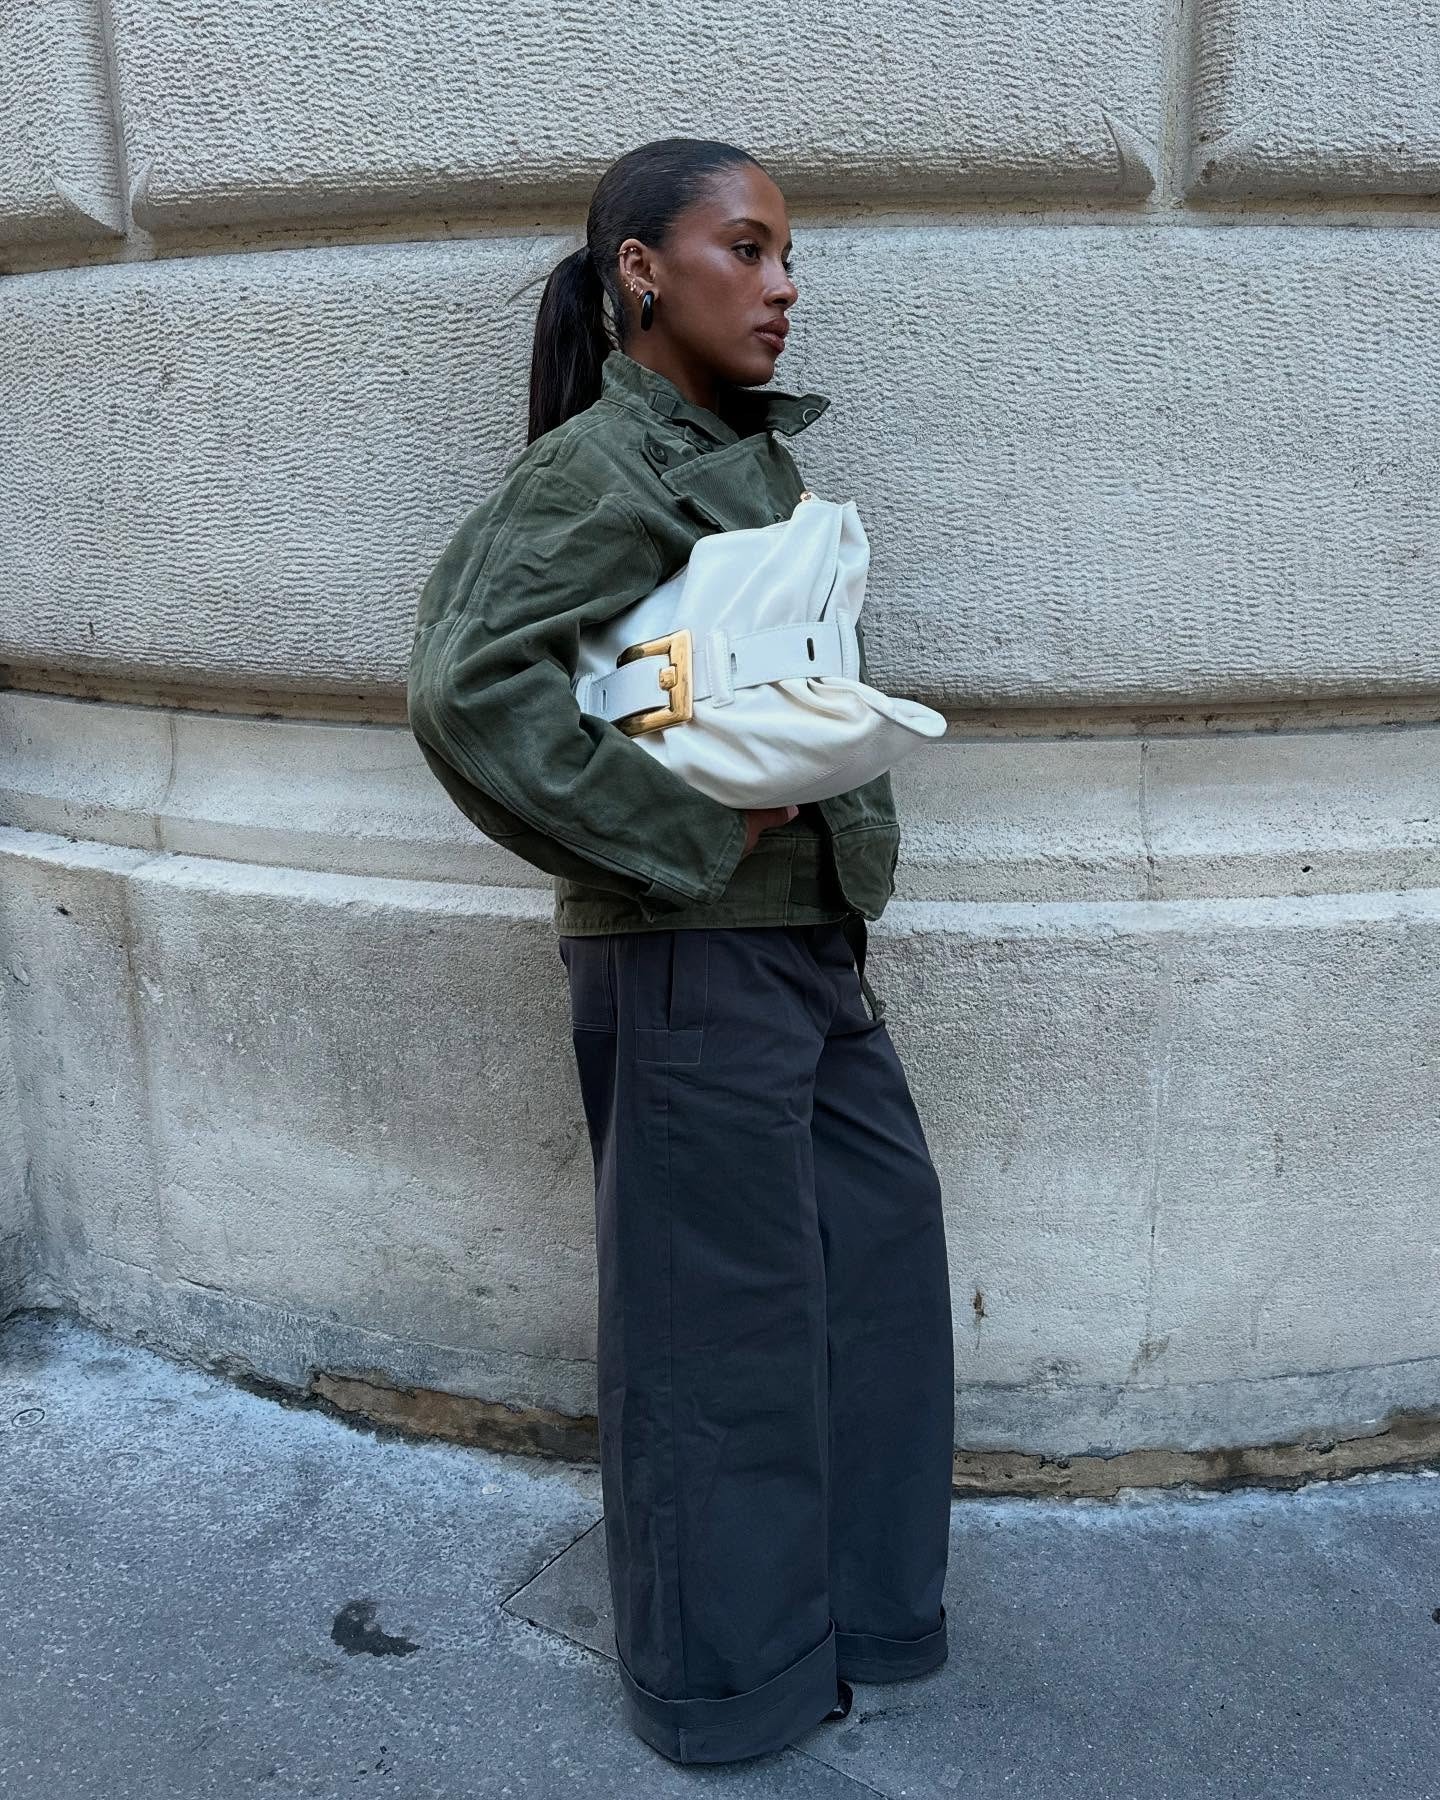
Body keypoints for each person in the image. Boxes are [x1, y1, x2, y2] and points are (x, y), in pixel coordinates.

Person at [407, 136, 955, 1767]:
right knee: (716, 1335)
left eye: (789, 255)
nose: (782, 286)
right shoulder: (606, 465)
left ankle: (862, 1614)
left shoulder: (739, 458)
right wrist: (686, 830)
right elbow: (467, 688)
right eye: (746, 248)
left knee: (871, 1280)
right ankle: (728, 1684)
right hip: (685, 954)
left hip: (802, 950)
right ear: (642, 270)